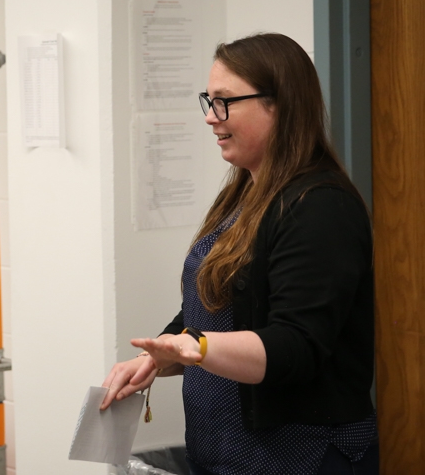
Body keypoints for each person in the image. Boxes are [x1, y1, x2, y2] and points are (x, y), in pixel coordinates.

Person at [101, 33, 377, 475]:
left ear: (280, 104)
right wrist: (158, 355)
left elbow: (296, 346)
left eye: (225, 102)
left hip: (300, 457)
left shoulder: (321, 206)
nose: (211, 118)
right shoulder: (242, 192)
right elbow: (212, 308)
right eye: (208, 102)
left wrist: (194, 347)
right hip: (223, 456)